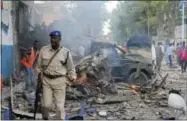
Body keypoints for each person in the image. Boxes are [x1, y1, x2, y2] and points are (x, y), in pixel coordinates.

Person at [36, 31, 77, 120]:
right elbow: (39, 67)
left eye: (55, 38)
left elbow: (71, 68)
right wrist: (39, 78)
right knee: (46, 105)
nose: (52, 40)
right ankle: (45, 118)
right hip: (46, 81)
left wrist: (73, 77)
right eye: (51, 38)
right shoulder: (44, 50)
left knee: (59, 107)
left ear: (60, 39)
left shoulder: (66, 52)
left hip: (60, 81)